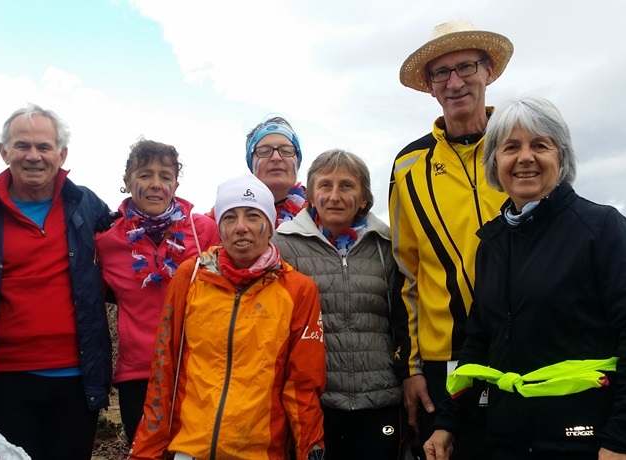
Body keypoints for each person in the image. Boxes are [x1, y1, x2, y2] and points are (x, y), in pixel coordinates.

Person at [424, 96, 626, 460]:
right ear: (495, 163)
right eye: (510, 147)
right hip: (507, 440)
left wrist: (623, 438)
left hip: (585, 440)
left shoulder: (601, 228)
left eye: (540, 145)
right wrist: (449, 423)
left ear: (561, 157)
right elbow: (479, 343)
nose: (525, 157)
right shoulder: (491, 243)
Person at [130, 174, 327, 460]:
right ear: (220, 228)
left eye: (252, 215)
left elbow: (303, 387)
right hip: (190, 450)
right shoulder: (191, 276)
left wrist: (311, 450)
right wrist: (145, 453)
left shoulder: (298, 289)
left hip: (259, 453)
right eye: (230, 217)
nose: (241, 227)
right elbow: (164, 370)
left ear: (271, 225)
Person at [389, 19, 513, 457]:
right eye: (441, 72)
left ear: (489, 71)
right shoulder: (408, 165)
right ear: (429, 85)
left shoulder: (521, 146)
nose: (455, 81)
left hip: (524, 349)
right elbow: (405, 274)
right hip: (445, 362)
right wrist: (411, 368)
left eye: (466, 66)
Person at [0, 104, 114, 460]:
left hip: (76, 379)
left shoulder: (86, 206)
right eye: (22, 146)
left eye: (44, 147)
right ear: (4, 152)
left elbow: (128, 253)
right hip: (4, 378)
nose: (34, 156)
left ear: (61, 154)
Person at [274, 149, 407, 457]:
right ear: (310, 194)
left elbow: (402, 319)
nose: (334, 195)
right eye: (325, 185)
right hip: (316, 404)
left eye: (346, 186)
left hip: (380, 400)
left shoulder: (386, 246)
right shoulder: (283, 245)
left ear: (363, 198)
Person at [95, 138, 220, 444]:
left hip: (197, 370)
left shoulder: (203, 230)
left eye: (165, 177)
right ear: (127, 182)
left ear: (176, 184)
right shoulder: (106, 239)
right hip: (138, 374)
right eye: (144, 175)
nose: (155, 184)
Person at [245, 116, 307, 227]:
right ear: (251, 163)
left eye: (286, 150)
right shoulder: (228, 215)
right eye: (264, 151)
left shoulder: (320, 213)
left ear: (298, 161)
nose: (276, 157)